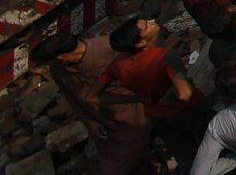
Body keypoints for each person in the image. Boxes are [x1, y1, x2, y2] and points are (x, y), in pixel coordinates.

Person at [32, 31, 149, 174]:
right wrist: (90, 123)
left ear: (60, 57)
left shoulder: (110, 47)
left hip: (134, 116)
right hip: (105, 125)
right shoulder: (58, 70)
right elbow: (72, 99)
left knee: (116, 167)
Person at [103, 17, 210, 164]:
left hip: (159, 117)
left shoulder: (118, 64)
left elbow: (93, 97)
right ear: (140, 42)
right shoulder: (165, 56)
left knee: (187, 157)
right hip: (190, 110)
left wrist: (138, 98)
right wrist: (172, 91)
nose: (152, 21)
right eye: (147, 25)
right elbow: (185, 93)